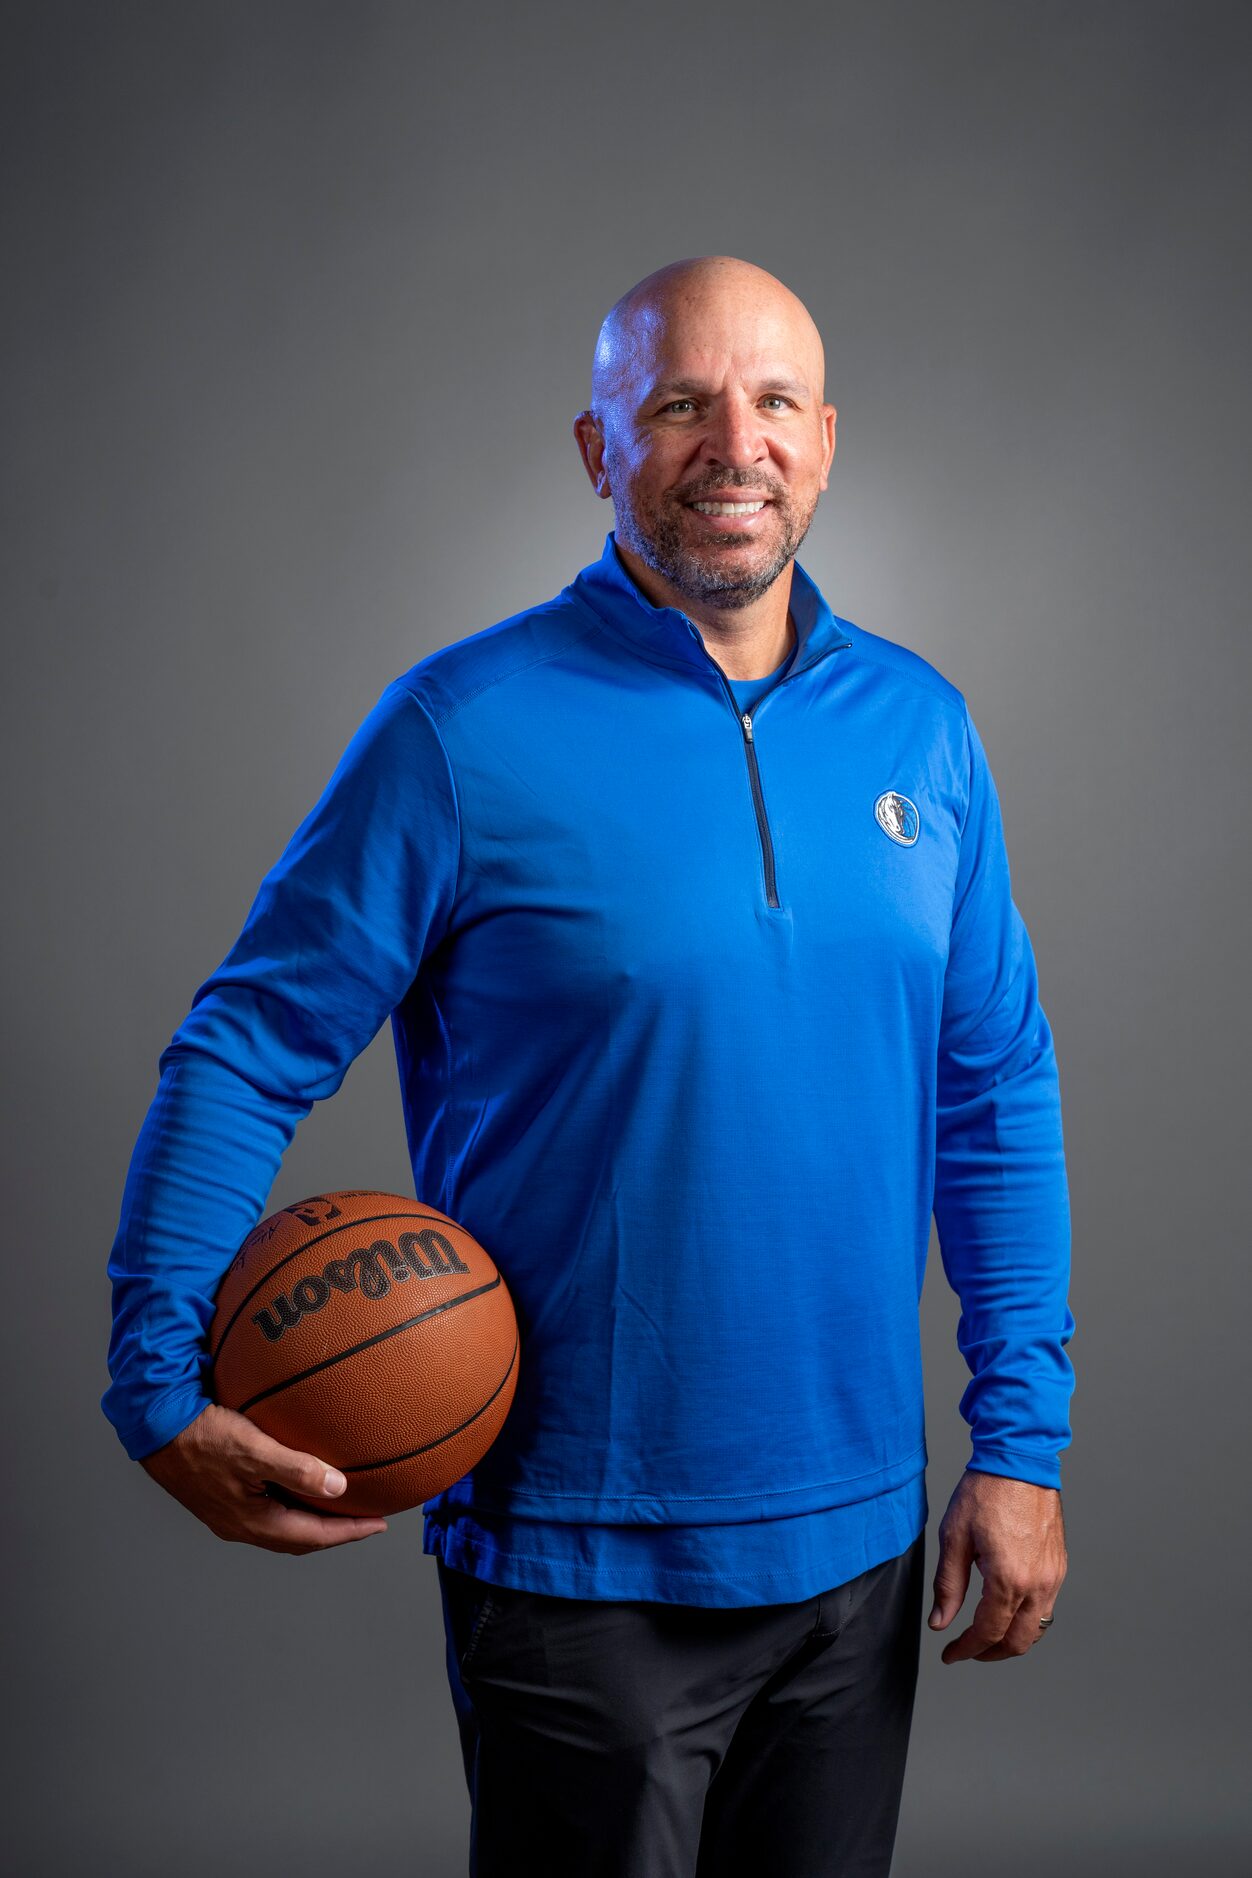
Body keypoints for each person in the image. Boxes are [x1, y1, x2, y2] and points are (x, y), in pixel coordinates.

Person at [104, 255, 1075, 1876]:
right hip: (575, 1558)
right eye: (679, 401)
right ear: (596, 446)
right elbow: (249, 1043)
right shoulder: (459, 730)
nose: (732, 441)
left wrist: (1023, 1444)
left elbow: (996, 1092)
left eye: (772, 402)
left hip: (858, 1549)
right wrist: (155, 1384)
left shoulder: (924, 731)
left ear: (825, 441)